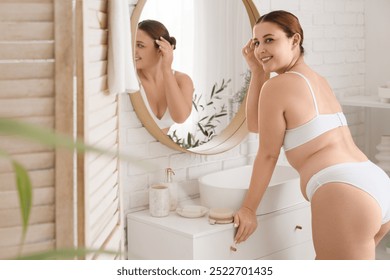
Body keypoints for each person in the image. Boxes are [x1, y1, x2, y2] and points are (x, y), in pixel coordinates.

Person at [233, 10, 390, 259]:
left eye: (270, 40)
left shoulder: (277, 86)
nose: (260, 49)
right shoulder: (318, 80)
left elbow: (268, 154)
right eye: (256, 42)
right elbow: (257, 125)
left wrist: (249, 209)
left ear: (295, 40)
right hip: (374, 183)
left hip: (344, 193)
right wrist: (257, 71)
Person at [135, 20, 194, 133]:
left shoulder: (182, 80)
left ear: (160, 49)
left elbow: (180, 117)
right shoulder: (131, 80)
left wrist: (166, 69)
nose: (133, 50)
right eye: (132, 45)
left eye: (140, 45)